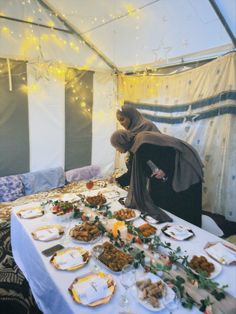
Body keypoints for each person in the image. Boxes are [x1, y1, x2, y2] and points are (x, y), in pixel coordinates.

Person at [110, 130, 204, 226]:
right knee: (161, 198)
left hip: (185, 166)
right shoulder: (135, 145)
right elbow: (132, 173)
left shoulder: (143, 143)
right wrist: (117, 181)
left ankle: (192, 230)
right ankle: (175, 226)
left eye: (116, 147)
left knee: (186, 203)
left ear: (122, 142)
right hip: (175, 166)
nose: (117, 150)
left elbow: (170, 151)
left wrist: (165, 169)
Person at [115, 104, 161, 187]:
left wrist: (119, 181)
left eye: (122, 119)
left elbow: (146, 157)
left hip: (158, 172)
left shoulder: (146, 127)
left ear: (131, 116)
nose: (121, 123)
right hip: (146, 171)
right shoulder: (132, 131)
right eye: (119, 121)